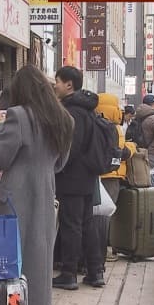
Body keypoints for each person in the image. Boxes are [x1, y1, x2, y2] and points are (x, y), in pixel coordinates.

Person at [0, 65, 74, 305]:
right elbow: (60, 165)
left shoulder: (19, 116)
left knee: (7, 262)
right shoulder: (63, 118)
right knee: (39, 261)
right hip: (45, 196)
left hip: (13, 199)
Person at [51, 66, 102, 290]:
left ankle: (69, 273)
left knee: (71, 224)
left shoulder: (71, 111)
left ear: (69, 84)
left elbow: (71, 147)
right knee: (87, 224)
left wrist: (57, 166)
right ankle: (95, 271)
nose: (55, 85)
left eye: (58, 81)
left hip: (72, 177)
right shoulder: (88, 109)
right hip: (88, 176)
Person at [95, 93, 136, 262]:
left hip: (97, 174)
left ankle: (98, 250)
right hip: (112, 175)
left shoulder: (95, 125)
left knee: (96, 213)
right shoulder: (114, 128)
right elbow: (122, 152)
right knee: (107, 214)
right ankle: (104, 249)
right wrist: (132, 147)